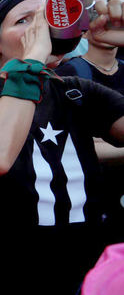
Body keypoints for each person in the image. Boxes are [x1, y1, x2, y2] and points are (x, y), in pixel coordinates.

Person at [0, 0, 124, 295]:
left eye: (46, 18)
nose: (42, 27)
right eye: (25, 20)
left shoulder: (76, 91)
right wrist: (33, 59)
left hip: (79, 267)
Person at [56, 24, 124, 246]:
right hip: (82, 195)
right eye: (105, 25)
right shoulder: (69, 73)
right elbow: (68, 143)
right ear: (85, 31)